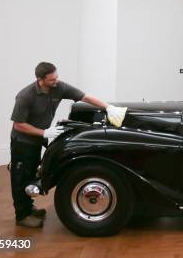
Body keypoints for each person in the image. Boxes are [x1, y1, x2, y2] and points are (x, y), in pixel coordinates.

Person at [9, 61, 125, 228]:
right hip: (23, 142)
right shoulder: (25, 95)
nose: (55, 81)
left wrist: (109, 107)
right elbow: (18, 124)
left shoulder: (59, 87)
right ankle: (22, 216)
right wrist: (44, 133)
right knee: (20, 176)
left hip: (37, 140)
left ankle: (28, 208)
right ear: (40, 80)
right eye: (51, 79)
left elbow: (84, 96)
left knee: (31, 174)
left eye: (56, 77)